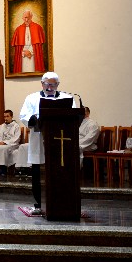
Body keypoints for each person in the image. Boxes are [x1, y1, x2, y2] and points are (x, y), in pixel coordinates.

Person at [19, 72, 76, 211]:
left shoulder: (67, 98)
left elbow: (74, 115)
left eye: (53, 85)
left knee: (60, 171)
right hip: (39, 140)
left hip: (61, 142)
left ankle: (62, 201)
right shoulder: (32, 98)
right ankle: (39, 202)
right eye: (47, 84)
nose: (50, 88)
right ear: (42, 84)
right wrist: (35, 119)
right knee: (39, 173)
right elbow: (24, 115)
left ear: (58, 85)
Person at [10, 9, 46, 74]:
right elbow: (18, 48)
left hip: (33, 55)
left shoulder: (37, 27)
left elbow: (38, 47)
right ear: (22, 18)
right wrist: (23, 52)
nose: (26, 20)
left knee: (33, 71)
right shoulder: (18, 29)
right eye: (25, 18)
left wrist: (31, 52)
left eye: (28, 18)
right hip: (23, 56)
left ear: (31, 17)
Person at [0, 110, 21, 177]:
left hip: (11, 144)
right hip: (1, 143)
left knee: (3, 148)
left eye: (7, 116)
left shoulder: (16, 126)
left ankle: (3, 169)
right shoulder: (1, 126)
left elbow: (16, 138)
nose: (6, 118)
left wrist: (5, 142)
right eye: (4, 116)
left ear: (11, 116)